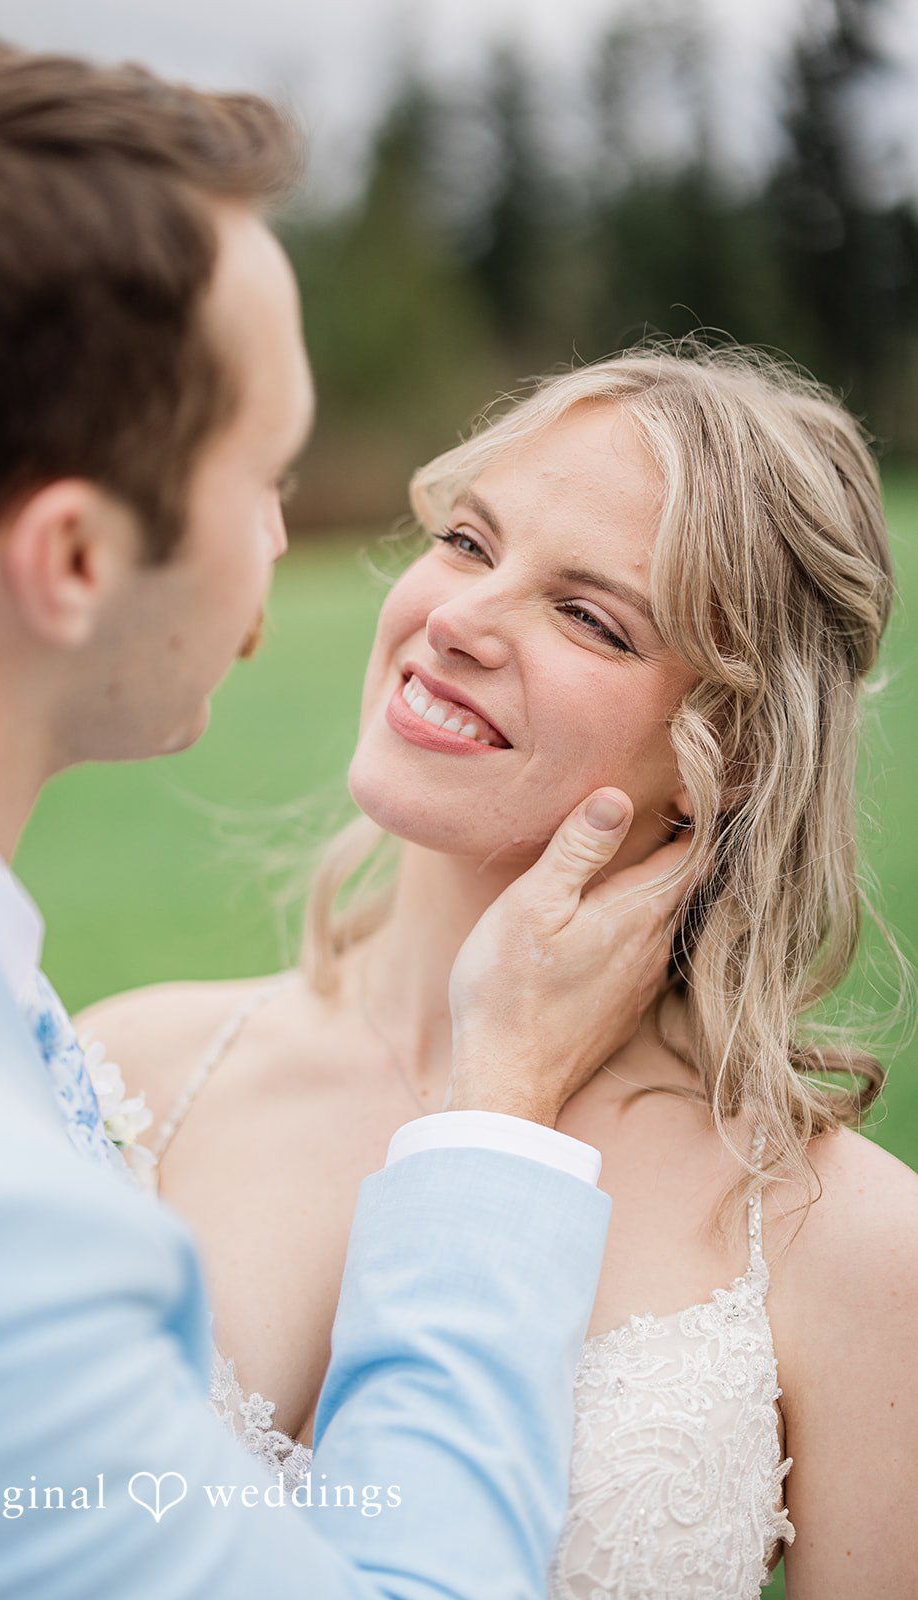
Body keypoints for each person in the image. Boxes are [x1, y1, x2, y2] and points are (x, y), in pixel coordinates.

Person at [0, 36, 698, 1600]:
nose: (301, 547)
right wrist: (494, 1116)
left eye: (590, 614)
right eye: (269, 477)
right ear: (78, 562)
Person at [87, 346, 918, 1597]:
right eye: (469, 543)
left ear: (729, 754)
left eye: (588, 616)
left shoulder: (843, 1242)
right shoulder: (123, 1074)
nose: (455, 618)